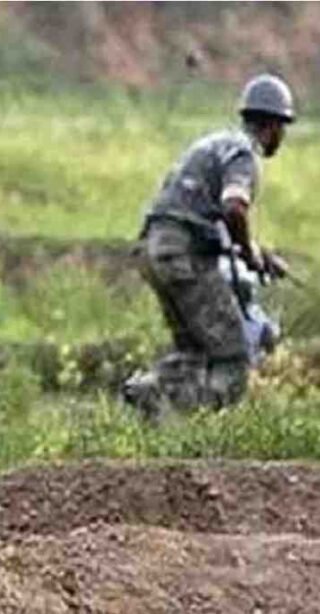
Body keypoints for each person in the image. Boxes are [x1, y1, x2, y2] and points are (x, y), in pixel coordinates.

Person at [122, 74, 294, 419]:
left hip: (154, 250)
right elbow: (234, 208)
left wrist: (256, 253)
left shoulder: (212, 144)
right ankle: (171, 407)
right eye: (283, 128)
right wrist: (249, 253)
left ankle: (151, 394)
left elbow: (198, 211)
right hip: (185, 257)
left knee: (194, 353)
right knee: (234, 359)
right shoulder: (244, 154)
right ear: (273, 125)